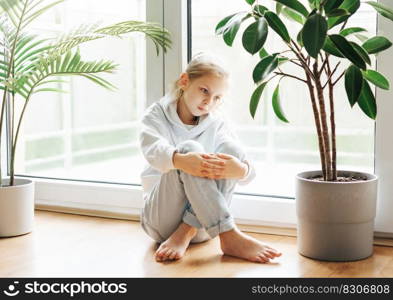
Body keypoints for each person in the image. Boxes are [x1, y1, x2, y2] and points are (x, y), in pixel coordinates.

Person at [138, 52, 282, 263]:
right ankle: (228, 233)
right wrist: (183, 160)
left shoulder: (217, 123)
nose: (208, 102)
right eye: (204, 90)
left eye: (217, 98)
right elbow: (153, 150)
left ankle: (190, 230)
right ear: (185, 81)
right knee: (188, 148)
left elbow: (247, 170)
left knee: (231, 149)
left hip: (205, 225)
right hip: (162, 223)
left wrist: (241, 170)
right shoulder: (156, 114)